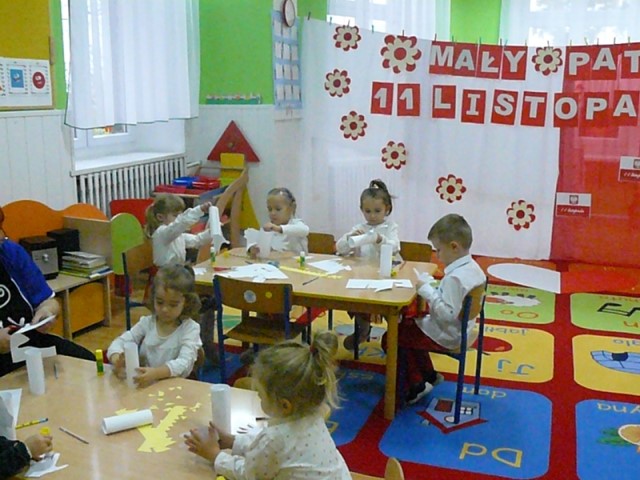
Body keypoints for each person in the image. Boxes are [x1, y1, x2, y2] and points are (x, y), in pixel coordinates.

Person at [184, 331, 350, 479]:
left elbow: (250, 474)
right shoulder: (312, 418)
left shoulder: (274, 438)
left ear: (285, 406)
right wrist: (233, 441)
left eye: (261, 395)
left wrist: (214, 455)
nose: (258, 398)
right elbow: (269, 452)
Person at [394, 213, 485, 405]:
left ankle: (417, 385)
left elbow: (447, 315)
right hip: (462, 328)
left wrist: (428, 291)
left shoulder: (455, 278)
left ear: (454, 247)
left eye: (438, 250)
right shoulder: (473, 267)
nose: (436, 255)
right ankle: (429, 374)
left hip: (449, 333)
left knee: (393, 337)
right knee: (407, 328)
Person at [0, 207, 95, 377]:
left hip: (30, 344)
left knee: (90, 364)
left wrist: (47, 312)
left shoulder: (10, 252)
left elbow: (50, 302)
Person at [107, 264, 202, 387]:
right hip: (147, 385)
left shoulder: (190, 329)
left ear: (187, 303)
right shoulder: (147, 323)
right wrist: (117, 360)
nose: (165, 309)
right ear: (153, 298)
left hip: (176, 388)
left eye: (173, 305)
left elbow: (184, 363)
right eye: (160, 302)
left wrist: (156, 373)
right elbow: (119, 342)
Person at [335, 179, 400, 351]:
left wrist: (379, 239)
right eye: (367, 211)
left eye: (377, 211)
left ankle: (395, 334)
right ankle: (363, 329)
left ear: (387, 209)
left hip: (384, 276)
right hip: (363, 276)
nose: (372, 216)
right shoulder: (359, 227)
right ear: (362, 210)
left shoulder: (390, 227)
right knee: (356, 301)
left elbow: (395, 247)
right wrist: (350, 238)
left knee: (388, 305)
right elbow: (340, 249)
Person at [145, 194, 213, 268]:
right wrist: (199, 210)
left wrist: (211, 232)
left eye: (180, 215)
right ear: (160, 217)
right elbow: (180, 223)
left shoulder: (177, 235)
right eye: (175, 215)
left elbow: (196, 240)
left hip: (177, 269)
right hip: (166, 272)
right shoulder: (162, 232)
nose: (179, 218)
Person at [247, 187, 309, 259]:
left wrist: (279, 229)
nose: (273, 213)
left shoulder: (296, 224)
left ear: (292, 208)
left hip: (297, 263)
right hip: (277, 263)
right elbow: (256, 241)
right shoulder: (270, 227)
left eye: (278, 209)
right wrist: (251, 248)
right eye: (270, 209)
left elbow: (305, 230)